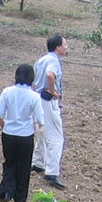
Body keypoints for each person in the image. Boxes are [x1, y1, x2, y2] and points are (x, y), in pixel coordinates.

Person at [0, 63, 46, 202]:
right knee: (24, 166)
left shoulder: (7, 92)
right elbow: (40, 119)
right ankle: (20, 197)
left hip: (8, 133)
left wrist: (5, 126)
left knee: (9, 163)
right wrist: (37, 128)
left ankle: (6, 191)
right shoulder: (34, 96)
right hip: (25, 135)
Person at [31, 35, 68, 190]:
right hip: (48, 101)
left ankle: (38, 162)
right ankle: (52, 172)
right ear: (57, 47)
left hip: (37, 99)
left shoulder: (40, 60)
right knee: (56, 138)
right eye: (64, 44)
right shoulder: (53, 61)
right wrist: (53, 91)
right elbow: (49, 75)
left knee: (40, 132)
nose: (66, 47)